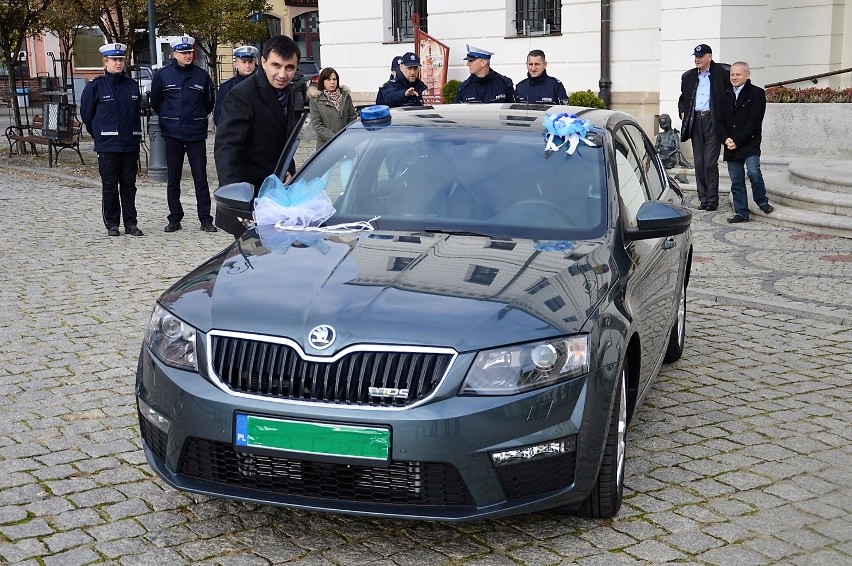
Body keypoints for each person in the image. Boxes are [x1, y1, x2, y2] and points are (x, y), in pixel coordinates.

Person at [214, 35, 302, 235]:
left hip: (275, 195)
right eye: (276, 65)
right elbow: (226, 150)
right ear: (263, 62)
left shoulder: (289, 91)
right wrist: (234, 200)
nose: (282, 74)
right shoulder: (242, 95)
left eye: (289, 68)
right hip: (248, 198)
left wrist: (288, 169)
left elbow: (283, 138)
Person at [150, 35, 217, 233]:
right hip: (173, 133)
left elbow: (208, 103)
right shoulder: (163, 75)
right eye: (183, 52)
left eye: (190, 52)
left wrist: (195, 117)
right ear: (174, 54)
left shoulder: (201, 75)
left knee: (200, 178)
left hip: (195, 132)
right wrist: (170, 118)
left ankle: (205, 219)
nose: (188, 56)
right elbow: (155, 101)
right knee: (174, 178)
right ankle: (175, 218)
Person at [80, 43, 144, 237]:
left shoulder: (131, 85)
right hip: (108, 145)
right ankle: (112, 223)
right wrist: (99, 135)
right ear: (105, 62)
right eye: (114, 60)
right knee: (110, 186)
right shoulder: (96, 87)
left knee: (129, 186)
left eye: (121, 60)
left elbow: (135, 112)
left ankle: (131, 223)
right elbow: (87, 115)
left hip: (129, 143)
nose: (118, 63)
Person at [716, 61, 774, 223]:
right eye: (732, 74)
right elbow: (718, 121)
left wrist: (737, 141)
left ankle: (762, 201)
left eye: (738, 74)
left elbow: (754, 121)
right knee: (736, 180)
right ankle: (742, 212)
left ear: (747, 75)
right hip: (730, 143)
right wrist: (725, 139)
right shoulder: (723, 94)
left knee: (754, 172)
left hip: (749, 142)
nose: (734, 77)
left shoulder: (757, 93)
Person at [677, 43, 729, 211]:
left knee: (709, 162)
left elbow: (729, 98)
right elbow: (683, 98)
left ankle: (712, 199)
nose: (697, 59)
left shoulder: (722, 74)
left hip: (714, 121)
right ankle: (703, 199)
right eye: (695, 56)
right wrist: (683, 112)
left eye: (700, 56)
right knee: (699, 162)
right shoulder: (689, 76)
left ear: (709, 57)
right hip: (695, 121)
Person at [308, 67, 357, 150]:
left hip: (346, 144)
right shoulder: (316, 100)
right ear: (322, 81)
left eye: (334, 79)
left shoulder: (345, 96)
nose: (332, 82)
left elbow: (352, 117)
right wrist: (335, 138)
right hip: (326, 146)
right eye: (328, 79)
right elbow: (317, 125)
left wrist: (346, 135)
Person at [213, 45, 258, 126]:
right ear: (236, 64)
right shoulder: (227, 87)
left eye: (250, 62)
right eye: (244, 62)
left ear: (254, 64)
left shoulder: (262, 85)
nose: (248, 66)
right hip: (234, 135)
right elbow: (219, 115)